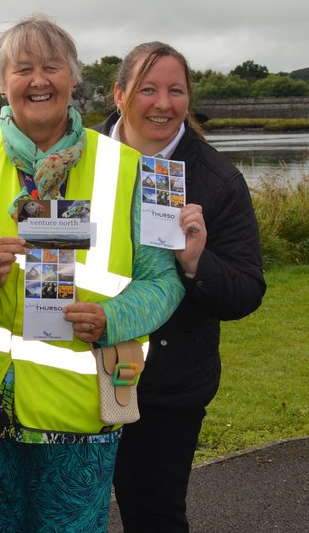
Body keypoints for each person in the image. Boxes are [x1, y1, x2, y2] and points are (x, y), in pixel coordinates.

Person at [0, 15, 184, 533]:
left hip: (78, 412)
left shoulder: (128, 169)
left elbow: (163, 282)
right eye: (23, 68)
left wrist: (111, 317)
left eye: (52, 67)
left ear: (74, 79)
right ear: (2, 81)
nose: (38, 80)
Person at [98, 41, 265, 533]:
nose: (163, 103)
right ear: (119, 93)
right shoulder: (79, 159)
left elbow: (246, 290)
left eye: (175, 90)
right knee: (61, 510)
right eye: (148, 89)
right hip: (72, 367)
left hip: (163, 386)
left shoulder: (216, 178)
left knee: (153, 514)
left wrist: (195, 262)